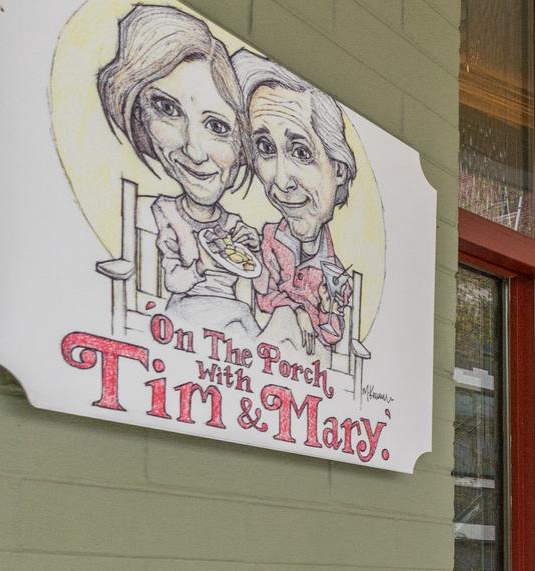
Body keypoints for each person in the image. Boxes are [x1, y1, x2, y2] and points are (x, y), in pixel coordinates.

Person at [95, 5, 260, 339]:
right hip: (185, 323)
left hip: (233, 328)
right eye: (167, 109)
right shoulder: (161, 215)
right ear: (139, 114)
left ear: (243, 147)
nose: (193, 150)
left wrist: (246, 245)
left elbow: (249, 262)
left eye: (217, 126)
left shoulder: (234, 224)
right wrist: (198, 265)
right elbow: (174, 280)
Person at [230, 50, 358, 355]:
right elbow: (262, 296)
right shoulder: (270, 240)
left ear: (338, 169)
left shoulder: (334, 273)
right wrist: (296, 310)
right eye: (264, 148)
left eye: (301, 152)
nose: (282, 181)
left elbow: (331, 336)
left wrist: (327, 309)